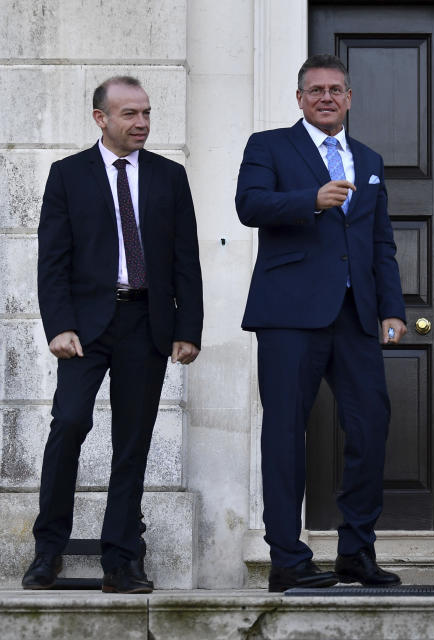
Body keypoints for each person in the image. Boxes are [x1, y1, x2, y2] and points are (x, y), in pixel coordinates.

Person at [25, 76, 203, 594]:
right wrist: (58, 325)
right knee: (69, 425)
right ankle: (48, 548)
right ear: (101, 118)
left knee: (133, 443)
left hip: (145, 323)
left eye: (146, 113)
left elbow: (185, 259)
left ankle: (122, 557)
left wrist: (186, 327)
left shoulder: (170, 177)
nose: (142, 123)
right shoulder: (68, 175)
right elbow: (52, 260)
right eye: (130, 114)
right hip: (84, 326)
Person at [236, 54, 407, 592]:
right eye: (316, 90)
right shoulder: (269, 146)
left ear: (350, 98)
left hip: (356, 317)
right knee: (286, 432)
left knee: (370, 426)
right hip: (289, 314)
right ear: (300, 99)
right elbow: (249, 204)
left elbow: (380, 243)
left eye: (336, 89)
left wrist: (393, 308)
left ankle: (357, 551)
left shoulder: (368, 158)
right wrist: (310, 199)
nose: (326, 97)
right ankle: (287, 558)